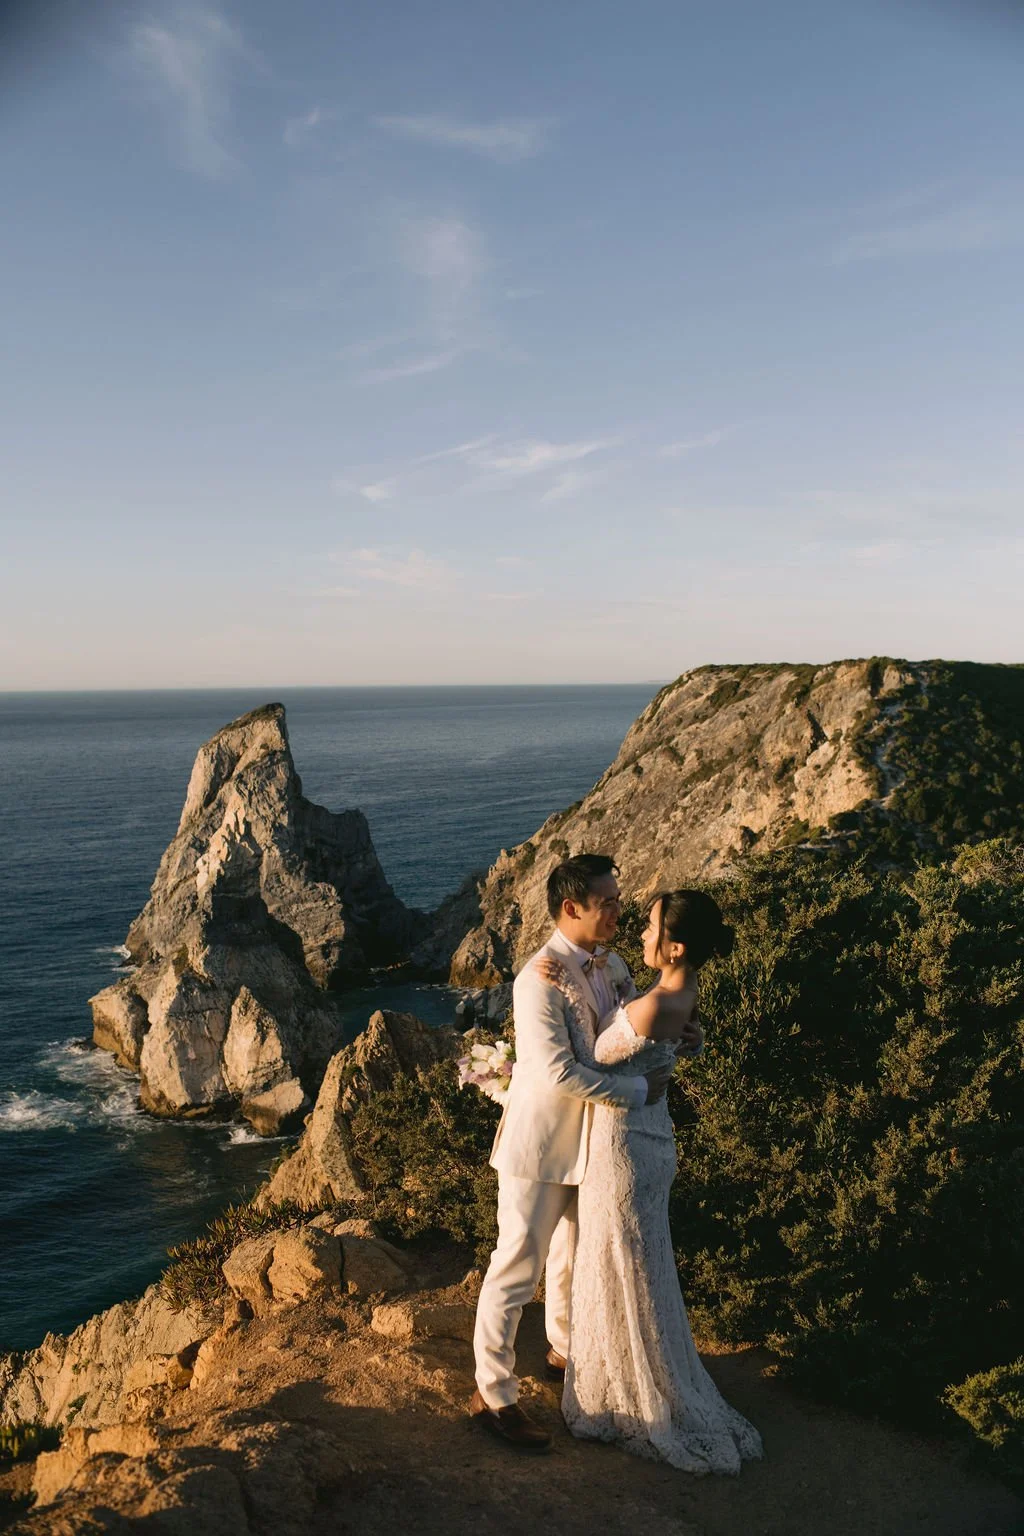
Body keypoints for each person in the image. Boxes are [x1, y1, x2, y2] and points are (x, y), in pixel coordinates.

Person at [470, 854, 702, 1451]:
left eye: (620, 901)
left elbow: (628, 1035)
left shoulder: (617, 964)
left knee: (574, 1261)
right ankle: (493, 1396)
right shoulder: (536, 978)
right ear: (571, 908)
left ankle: (569, 1357)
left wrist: (678, 1037)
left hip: (601, 1147)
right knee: (518, 1266)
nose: (619, 913)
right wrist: (636, 1092)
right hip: (542, 1147)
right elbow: (553, 1073)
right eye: (608, 903)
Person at [540, 889, 763, 1473]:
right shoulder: (680, 993)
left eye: (650, 927)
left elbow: (586, 1058)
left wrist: (561, 986)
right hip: (653, 1141)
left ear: (676, 945)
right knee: (641, 1269)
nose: (640, 935)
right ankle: (647, 1372)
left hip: (622, 1150)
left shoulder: (649, 1006)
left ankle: (627, 1393)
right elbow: (671, 1038)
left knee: (616, 1265)